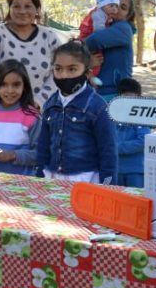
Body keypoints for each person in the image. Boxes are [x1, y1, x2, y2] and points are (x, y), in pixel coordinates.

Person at [36, 40, 118, 184]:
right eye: (58, 69)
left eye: (72, 69)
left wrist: (108, 187)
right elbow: (43, 147)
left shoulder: (97, 106)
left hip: (87, 182)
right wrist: (39, 177)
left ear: (86, 72)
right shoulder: (50, 104)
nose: (64, 75)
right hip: (52, 180)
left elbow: (108, 152)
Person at [0, 0, 61, 108]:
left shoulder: (50, 37)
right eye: (16, 6)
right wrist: (14, 107)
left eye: (28, 6)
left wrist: (37, 103)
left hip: (39, 114)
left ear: (37, 9)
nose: (22, 11)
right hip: (0, 113)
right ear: (9, 8)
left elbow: (59, 71)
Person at [83, 0, 136, 99]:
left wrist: (77, 47)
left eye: (122, 8)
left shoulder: (123, 28)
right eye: (113, 4)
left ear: (127, 16)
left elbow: (93, 41)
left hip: (115, 91)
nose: (115, 9)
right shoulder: (105, 25)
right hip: (99, 91)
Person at [78, 0, 120, 86]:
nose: (115, 9)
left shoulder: (104, 14)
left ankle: (91, 76)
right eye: (111, 5)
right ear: (102, 5)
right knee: (96, 58)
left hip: (91, 39)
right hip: (88, 38)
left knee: (95, 59)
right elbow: (99, 31)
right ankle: (91, 77)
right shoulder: (98, 15)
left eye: (116, 6)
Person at [114, 77, 149, 188]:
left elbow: (143, 141)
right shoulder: (112, 116)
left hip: (135, 169)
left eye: (132, 98)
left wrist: (116, 147)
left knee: (136, 199)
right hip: (116, 169)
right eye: (125, 98)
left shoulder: (141, 117)